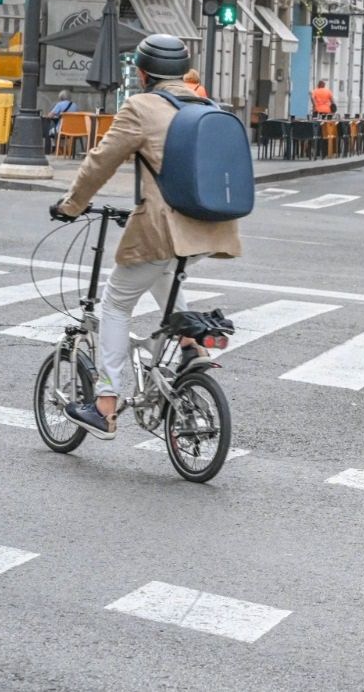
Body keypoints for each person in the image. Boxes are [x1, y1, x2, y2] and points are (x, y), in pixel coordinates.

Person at [48, 35, 243, 439]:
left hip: (162, 229)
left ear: (141, 74)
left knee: (116, 304)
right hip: (211, 229)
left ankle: (104, 406)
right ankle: (193, 347)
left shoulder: (140, 107)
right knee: (163, 274)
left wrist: (71, 204)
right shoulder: (207, 106)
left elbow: (100, 161)